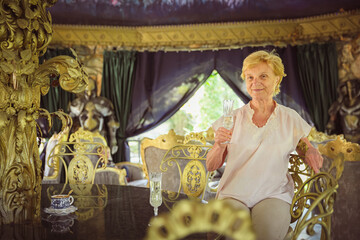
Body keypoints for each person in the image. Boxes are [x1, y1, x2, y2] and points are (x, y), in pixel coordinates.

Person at [206, 50, 323, 240]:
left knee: (265, 235)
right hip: (233, 194)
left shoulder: (290, 117)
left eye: (263, 76)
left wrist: (311, 151)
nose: (255, 82)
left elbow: (305, 148)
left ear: (276, 79)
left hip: (273, 194)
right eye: (250, 77)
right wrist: (219, 145)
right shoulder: (231, 118)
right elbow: (210, 165)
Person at [69, 78, 120, 155]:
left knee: (102, 162)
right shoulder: (77, 103)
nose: (89, 94)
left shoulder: (103, 103)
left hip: (100, 136)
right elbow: (69, 122)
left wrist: (113, 141)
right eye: (87, 91)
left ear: (95, 89)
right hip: (82, 138)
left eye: (91, 91)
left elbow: (112, 123)